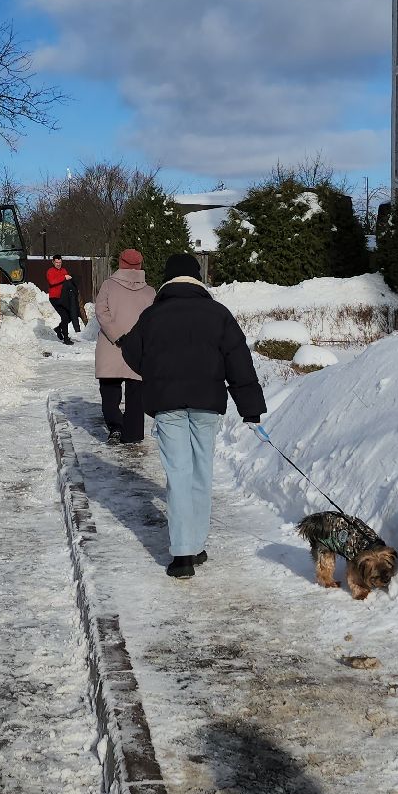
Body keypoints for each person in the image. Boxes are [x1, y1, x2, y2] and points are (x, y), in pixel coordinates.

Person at [121, 253, 266, 579]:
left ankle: (183, 553)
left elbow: (131, 350)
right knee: (201, 472)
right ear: (196, 278)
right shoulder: (218, 313)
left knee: (179, 474)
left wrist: (154, 372)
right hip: (207, 406)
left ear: (169, 280)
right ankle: (196, 545)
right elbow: (238, 360)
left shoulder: (153, 315)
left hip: (168, 405)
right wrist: (250, 406)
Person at [94, 248, 155, 444]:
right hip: (137, 350)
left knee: (110, 391)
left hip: (111, 347)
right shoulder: (150, 291)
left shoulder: (108, 285)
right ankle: (134, 433)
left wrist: (117, 336)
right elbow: (153, 320)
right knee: (136, 394)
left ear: (120, 263)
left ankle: (116, 426)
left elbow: (101, 312)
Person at [44, 256, 75, 344]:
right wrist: (64, 278)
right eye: (57, 262)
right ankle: (66, 338)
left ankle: (58, 328)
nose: (58, 264)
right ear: (53, 262)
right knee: (65, 317)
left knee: (69, 317)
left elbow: (67, 283)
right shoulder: (50, 271)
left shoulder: (64, 271)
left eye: (60, 262)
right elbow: (52, 282)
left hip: (64, 298)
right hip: (55, 298)